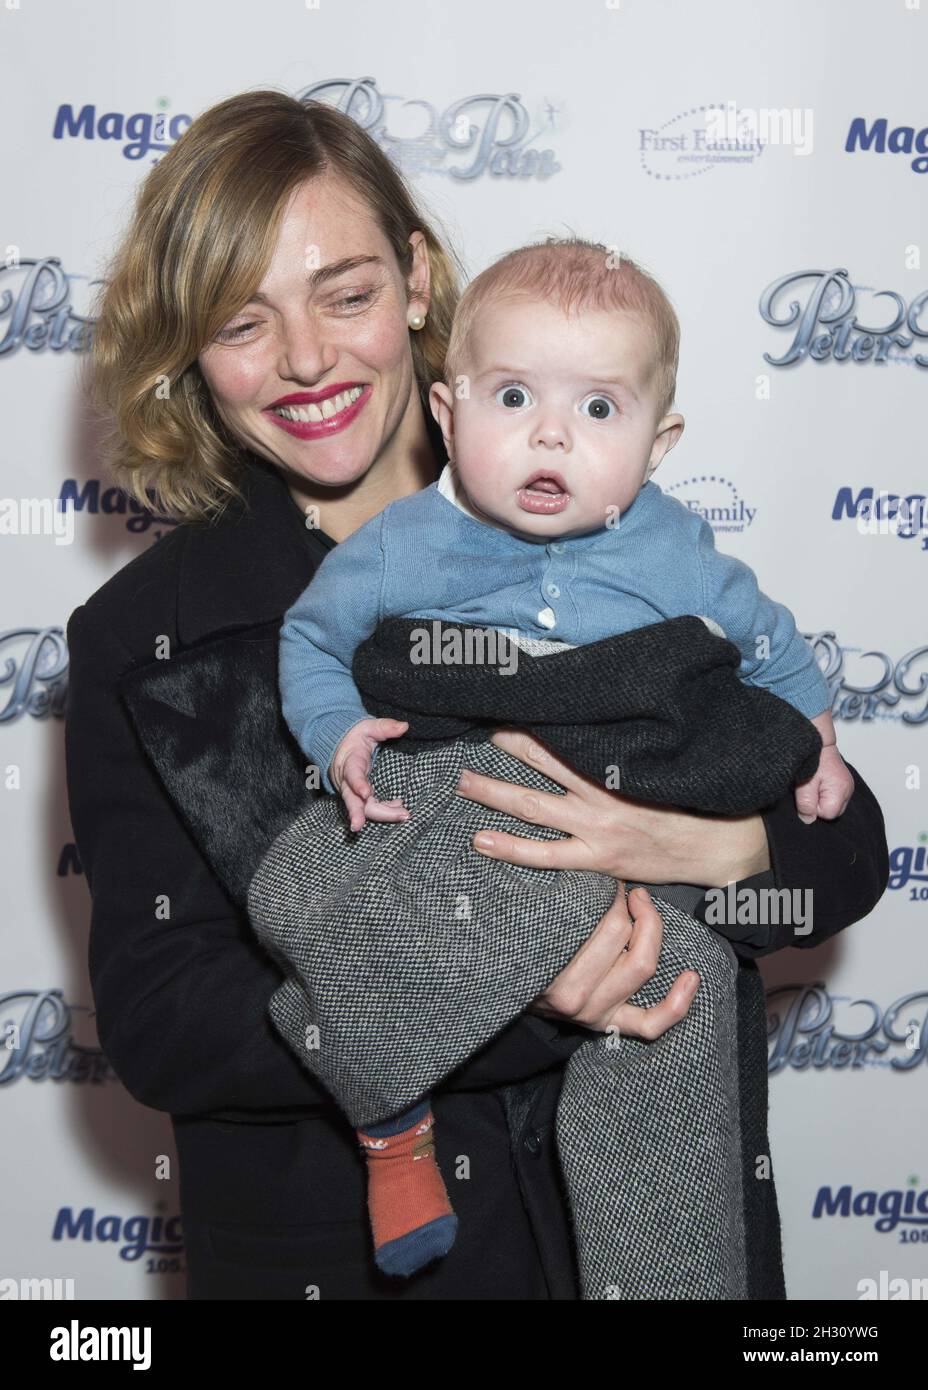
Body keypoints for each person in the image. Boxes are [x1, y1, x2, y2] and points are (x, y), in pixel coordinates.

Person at [64, 88, 889, 1300]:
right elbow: (164, 1021)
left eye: (345, 295)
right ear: (191, 350)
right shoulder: (148, 637)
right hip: (353, 1265)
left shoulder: (608, 516)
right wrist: (519, 990)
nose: (305, 359)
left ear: (414, 279)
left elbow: (842, 854)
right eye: (244, 323)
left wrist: (689, 845)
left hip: (660, 1246)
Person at [274, 240, 855, 1277]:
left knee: (684, 1002)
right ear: (448, 413)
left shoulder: (675, 551)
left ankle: (670, 1269)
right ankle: (393, 1128)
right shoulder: (404, 545)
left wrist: (815, 741)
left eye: (598, 410)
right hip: (462, 816)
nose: (550, 433)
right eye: (511, 397)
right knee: (319, 890)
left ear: (658, 440)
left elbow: (771, 646)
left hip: (639, 819)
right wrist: (338, 734)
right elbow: (312, 642)